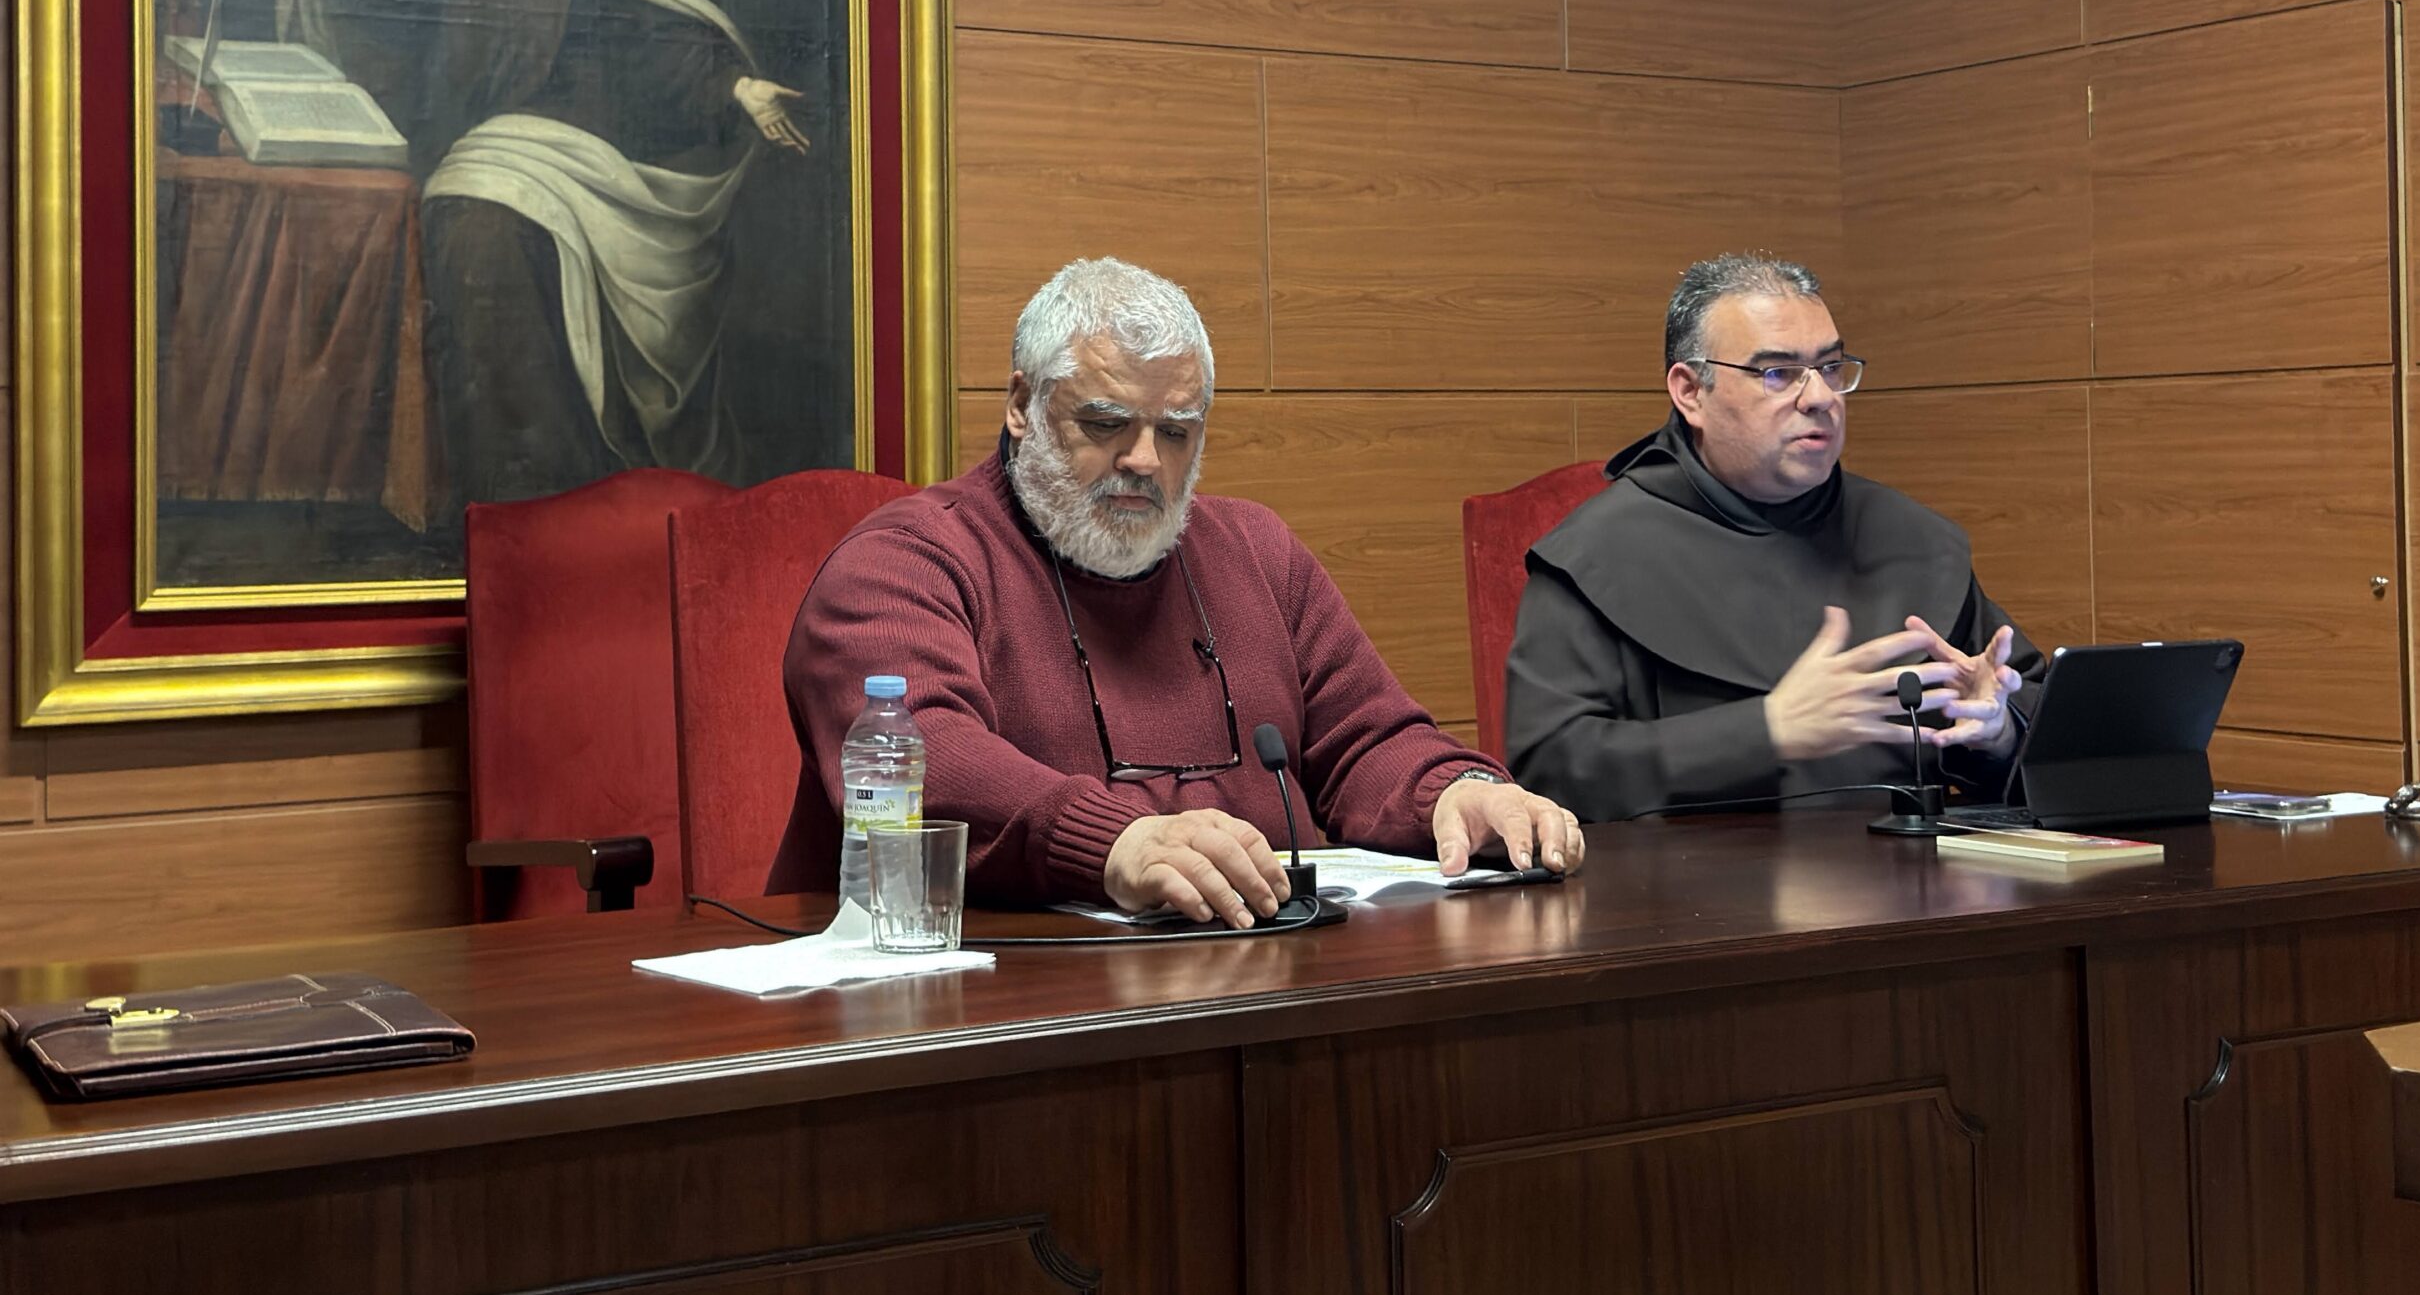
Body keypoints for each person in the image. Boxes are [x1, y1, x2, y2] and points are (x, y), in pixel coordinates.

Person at [772, 257, 1586, 924]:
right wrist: (1115, 843)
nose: (1144, 461)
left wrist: (1456, 792)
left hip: (1262, 971)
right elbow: (923, 758)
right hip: (990, 1002)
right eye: (1105, 424)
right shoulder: (904, 562)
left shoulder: (1256, 550)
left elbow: (1366, 738)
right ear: (1022, 405)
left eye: (1175, 431)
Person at [216, 0, 808, 505]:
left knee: (488, 219)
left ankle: (580, 503)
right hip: (481, 140)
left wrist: (736, 88)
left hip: (604, 150)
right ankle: (521, 506)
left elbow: (658, 36)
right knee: (478, 224)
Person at [1504, 252, 2043, 822]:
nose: (1820, 397)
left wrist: (1999, 731)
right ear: (1690, 392)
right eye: (1778, 373)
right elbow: (1552, 769)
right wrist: (1765, 731)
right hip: (1692, 876)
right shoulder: (1597, 553)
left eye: (1830, 367)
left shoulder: (1913, 538)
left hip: (1915, 870)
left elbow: (2038, 716)